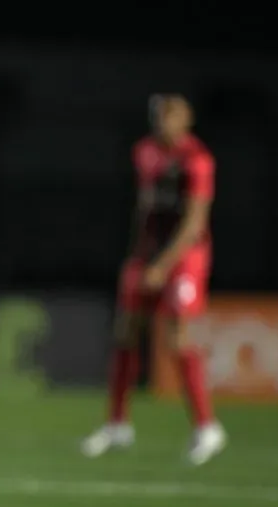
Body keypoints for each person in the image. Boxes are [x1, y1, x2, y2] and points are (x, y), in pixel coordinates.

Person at [81, 94, 226, 466]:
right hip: (148, 253)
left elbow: (194, 222)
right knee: (127, 331)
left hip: (185, 256)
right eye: (159, 116)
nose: (162, 122)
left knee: (177, 334)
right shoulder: (144, 151)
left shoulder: (198, 159)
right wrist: (138, 257)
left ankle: (207, 427)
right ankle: (117, 424)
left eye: (171, 116)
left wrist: (164, 265)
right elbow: (145, 208)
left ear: (187, 119)